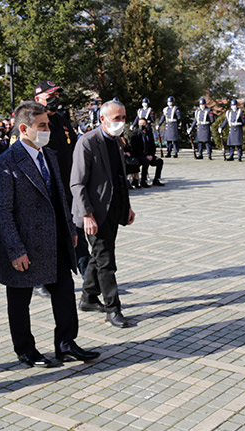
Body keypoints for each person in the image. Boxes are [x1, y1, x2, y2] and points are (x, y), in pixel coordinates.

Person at [0, 101, 99, 368]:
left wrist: (70, 230)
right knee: (20, 302)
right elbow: (2, 212)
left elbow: (60, 195)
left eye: (48, 125)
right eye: (42, 126)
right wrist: (15, 250)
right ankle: (25, 349)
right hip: (24, 246)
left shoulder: (49, 155)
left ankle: (66, 344)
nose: (47, 129)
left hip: (55, 241)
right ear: (24, 128)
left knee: (63, 295)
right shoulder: (4, 163)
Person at [70, 100, 135, 328]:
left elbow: (120, 179)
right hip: (94, 213)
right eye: (116, 118)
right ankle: (113, 308)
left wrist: (127, 207)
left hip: (114, 209)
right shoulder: (87, 142)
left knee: (100, 256)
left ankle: (88, 297)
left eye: (123, 118)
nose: (121, 122)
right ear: (102, 119)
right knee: (107, 260)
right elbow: (77, 183)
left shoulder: (117, 142)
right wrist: (86, 215)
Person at [34, 80, 89, 288]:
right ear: (38, 99)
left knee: (78, 234)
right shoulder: (31, 123)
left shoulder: (63, 121)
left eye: (57, 96)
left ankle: (90, 281)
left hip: (68, 189)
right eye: (50, 98)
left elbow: (75, 151)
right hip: (45, 193)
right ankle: (40, 281)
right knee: (46, 239)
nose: (55, 101)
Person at [131, 118, 164, 187]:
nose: (142, 125)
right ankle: (143, 180)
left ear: (146, 125)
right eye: (140, 124)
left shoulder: (149, 133)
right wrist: (144, 156)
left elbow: (153, 146)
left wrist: (151, 155)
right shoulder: (135, 134)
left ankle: (156, 179)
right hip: (139, 155)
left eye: (143, 124)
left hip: (149, 155)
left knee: (159, 161)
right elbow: (134, 148)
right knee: (145, 162)